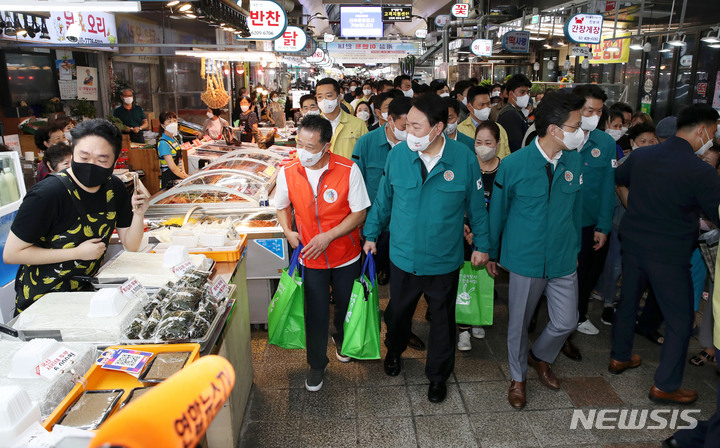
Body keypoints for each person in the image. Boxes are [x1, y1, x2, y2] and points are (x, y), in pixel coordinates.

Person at [363, 93, 490, 404]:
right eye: (407, 125)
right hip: (403, 256)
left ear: (438, 128)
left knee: (443, 323)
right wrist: (370, 234)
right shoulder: (398, 156)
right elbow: (383, 201)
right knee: (397, 314)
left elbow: (476, 207)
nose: (409, 133)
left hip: (443, 259)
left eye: (416, 126)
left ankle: (437, 376)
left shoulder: (462, 159)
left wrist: (483, 245)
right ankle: (393, 351)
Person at [611, 104, 720, 405]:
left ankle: (619, 357)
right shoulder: (701, 171)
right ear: (701, 130)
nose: (711, 138)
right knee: (680, 320)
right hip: (670, 255)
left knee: (628, 302)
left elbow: (618, 178)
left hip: (633, 243)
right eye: (712, 132)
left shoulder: (643, 155)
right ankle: (666, 386)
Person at [487, 91, 585, 409]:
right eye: (575, 125)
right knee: (518, 323)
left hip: (562, 257)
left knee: (566, 321)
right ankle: (518, 377)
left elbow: (577, 211)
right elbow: (497, 212)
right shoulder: (514, 165)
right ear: (555, 130)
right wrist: (489, 251)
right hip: (524, 258)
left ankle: (540, 355)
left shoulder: (574, 160)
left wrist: (576, 247)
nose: (580, 130)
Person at [4, 119, 150, 315]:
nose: (91, 165)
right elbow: (12, 253)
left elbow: (131, 245)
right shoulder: (47, 193)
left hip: (86, 295)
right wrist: (76, 253)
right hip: (43, 301)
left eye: (102, 160)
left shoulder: (114, 188)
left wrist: (139, 213)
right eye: (84, 156)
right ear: (72, 153)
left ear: (114, 160)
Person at [275, 114, 370, 392]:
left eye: (311, 147)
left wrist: (329, 236)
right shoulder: (289, 171)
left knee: (343, 303)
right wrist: (288, 230)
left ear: (327, 146)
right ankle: (316, 364)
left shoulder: (348, 169)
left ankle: (342, 338)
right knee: (315, 311)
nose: (303, 152)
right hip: (310, 256)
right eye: (299, 144)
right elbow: (282, 206)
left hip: (345, 254)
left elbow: (359, 212)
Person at [558, 85, 618, 362]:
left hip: (587, 226)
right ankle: (534, 319)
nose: (593, 116)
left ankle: (572, 324)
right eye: (588, 110)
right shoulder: (558, 136)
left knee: (581, 280)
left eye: (598, 111)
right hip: (557, 224)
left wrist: (603, 227)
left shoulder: (605, 144)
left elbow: (608, 188)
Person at [457, 120, 503, 351]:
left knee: (484, 277)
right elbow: (457, 199)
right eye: (478, 142)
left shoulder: (504, 169)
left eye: (488, 142)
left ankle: (478, 318)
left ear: (498, 144)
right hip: (463, 233)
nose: (483, 147)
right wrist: (464, 225)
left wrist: (482, 234)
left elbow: (504, 208)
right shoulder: (466, 165)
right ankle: (463, 327)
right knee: (464, 278)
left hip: (490, 235)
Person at [316, 78, 367, 160]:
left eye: (329, 96)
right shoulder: (311, 126)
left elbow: (367, 154)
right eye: (320, 97)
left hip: (349, 172)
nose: (324, 100)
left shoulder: (358, 124)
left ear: (339, 97)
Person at [457, 86, 511, 159]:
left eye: (488, 104)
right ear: (470, 107)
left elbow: (507, 156)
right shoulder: (460, 131)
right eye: (481, 105)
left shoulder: (499, 128)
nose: (486, 108)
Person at [496, 75, 532, 152]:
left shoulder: (516, 111)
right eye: (522, 92)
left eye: (527, 92)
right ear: (511, 94)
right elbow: (515, 146)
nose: (526, 96)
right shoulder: (510, 114)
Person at [157, 111, 188, 189]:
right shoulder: (163, 143)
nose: (173, 123)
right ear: (163, 126)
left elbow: (180, 159)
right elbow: (172, 167)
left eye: (174, 121)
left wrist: (183, 172)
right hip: (169, 181)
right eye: (169, 121)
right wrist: (184, 177)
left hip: (178, 177)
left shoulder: (174, 140)